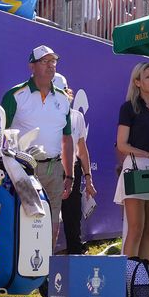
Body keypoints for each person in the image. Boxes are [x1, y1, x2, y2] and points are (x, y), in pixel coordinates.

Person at [0, 45, 75, 251]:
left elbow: (67, 139)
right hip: (24, 171)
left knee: (52, 223)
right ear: (31, 66)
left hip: (55, 169)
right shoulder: (15, 95)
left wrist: (69, 175)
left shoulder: (62, 98)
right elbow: (0, 134)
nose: (51, 66)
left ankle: (44, 276)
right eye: (45, 61)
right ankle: (21, 273)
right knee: (26, 221)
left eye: (53, 61)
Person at [114, 62, 149, 263]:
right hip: (135, 169)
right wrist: (145, 153)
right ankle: (127, 280)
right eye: (147, 77)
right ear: (137, 82)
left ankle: (142, 280)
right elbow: (121, 144)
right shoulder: (128, 108)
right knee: (135, 228)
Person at [59, 75, 96, 256]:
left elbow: (82, 149)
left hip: (71, 171)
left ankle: (75, 264)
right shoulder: (42, 114)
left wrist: (88, 177)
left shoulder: (77, 117)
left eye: (63, 92)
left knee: (73, 220)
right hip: (47, 169)